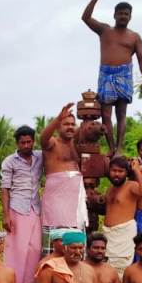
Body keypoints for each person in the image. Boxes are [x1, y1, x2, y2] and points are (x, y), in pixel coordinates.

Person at [82, 0, 142, 156]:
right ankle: (111, 148)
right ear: (114, 15)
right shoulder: (104, 30)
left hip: (124, 73)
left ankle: (119, 148)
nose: (123, 16)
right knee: (106, 113)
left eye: (126, 14)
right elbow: (86, 17)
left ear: (130, 16)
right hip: (106, 74)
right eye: (120, 13)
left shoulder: (134, 37)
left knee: (121, 113)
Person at [1, 126, 44, 283]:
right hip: (17, 208)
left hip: (35, 207)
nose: (26, 145)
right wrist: (6, 215)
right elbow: (5, 188)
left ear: (33, 141)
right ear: (17, 143)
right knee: (17, 248)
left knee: (35, 247)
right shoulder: (10, 161)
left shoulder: (40, 156)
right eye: (23, 142)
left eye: (29, 142)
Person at [40, 104, 87, 255]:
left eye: (73, 124)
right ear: (58, 126)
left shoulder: (77, 145)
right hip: (56, 203)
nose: (70, 127)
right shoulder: (52, 143)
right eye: (66, 124)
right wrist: (58, 117)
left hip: (75, 204)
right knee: (53, 248)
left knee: (76, 247)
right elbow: (43, 137)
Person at [103, 156, 142, 276]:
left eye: (120, 171)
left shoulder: (131, 186)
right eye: (114, 171)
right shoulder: (110, 189)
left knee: (120, 270)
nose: (116, 174)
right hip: (108, 235)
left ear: (126, 172)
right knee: (107, 268)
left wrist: (137, 171)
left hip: (123, 235)